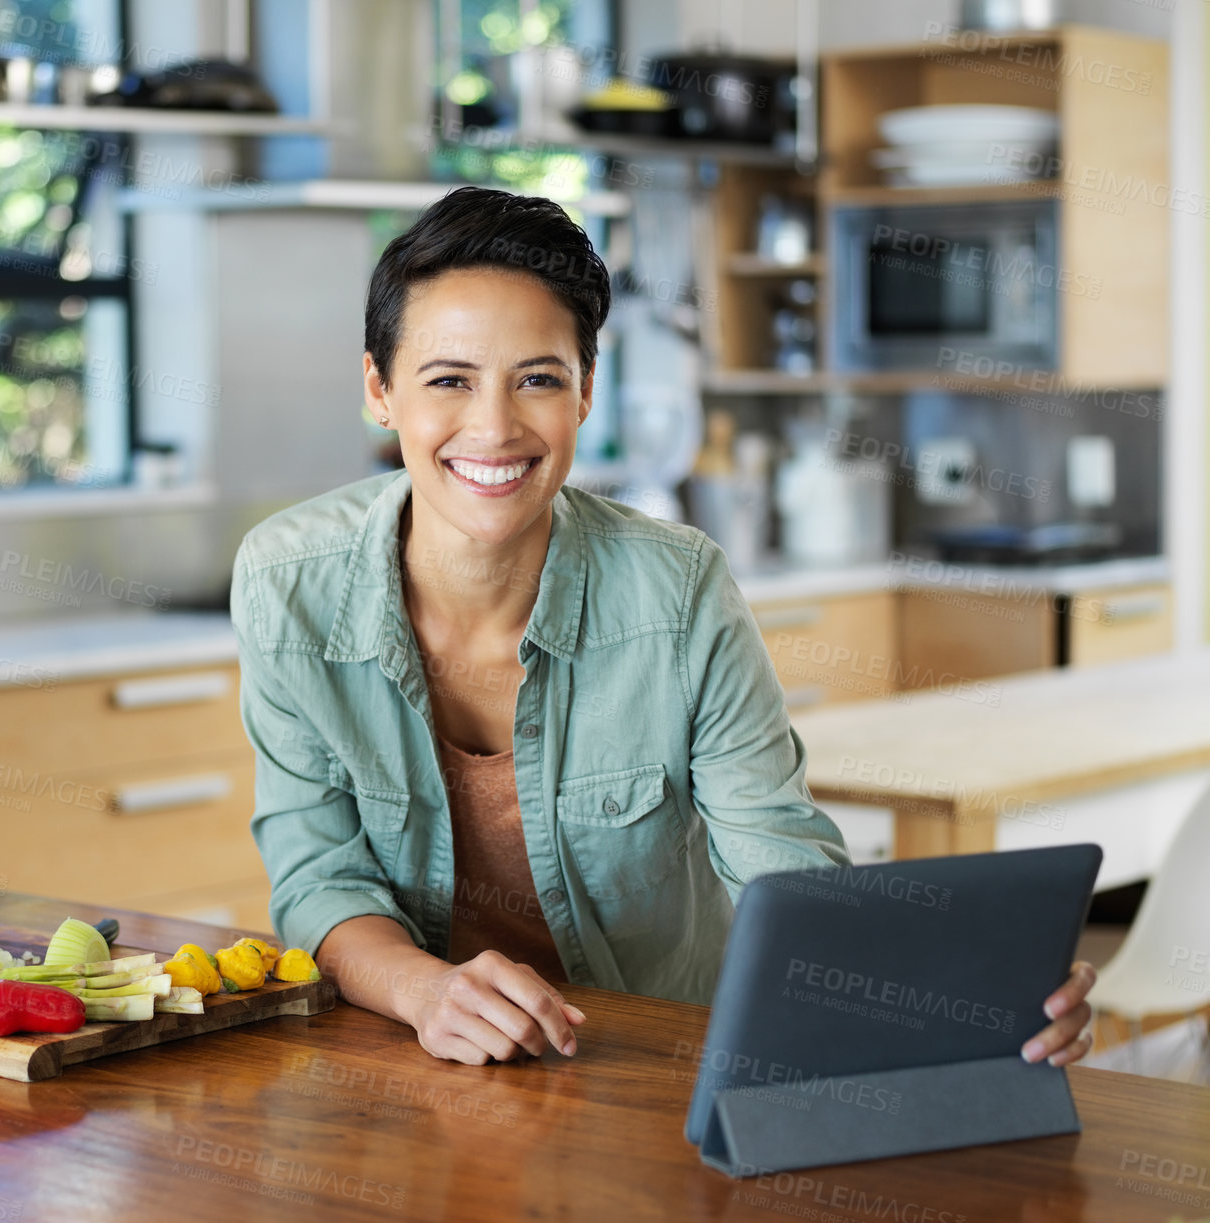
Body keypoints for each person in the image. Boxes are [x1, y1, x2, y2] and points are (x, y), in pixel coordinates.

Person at [230, 186, 1096, 1067]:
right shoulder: (286, 585)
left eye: (537, 378)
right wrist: (426, 990)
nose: (492, 427)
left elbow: (780, 864)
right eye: (448, 380)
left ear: (584, 392)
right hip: (415, 1059)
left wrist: (964, 988)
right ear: (379, 390)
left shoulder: (677, 592)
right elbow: (318, 874)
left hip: (651, 1060)